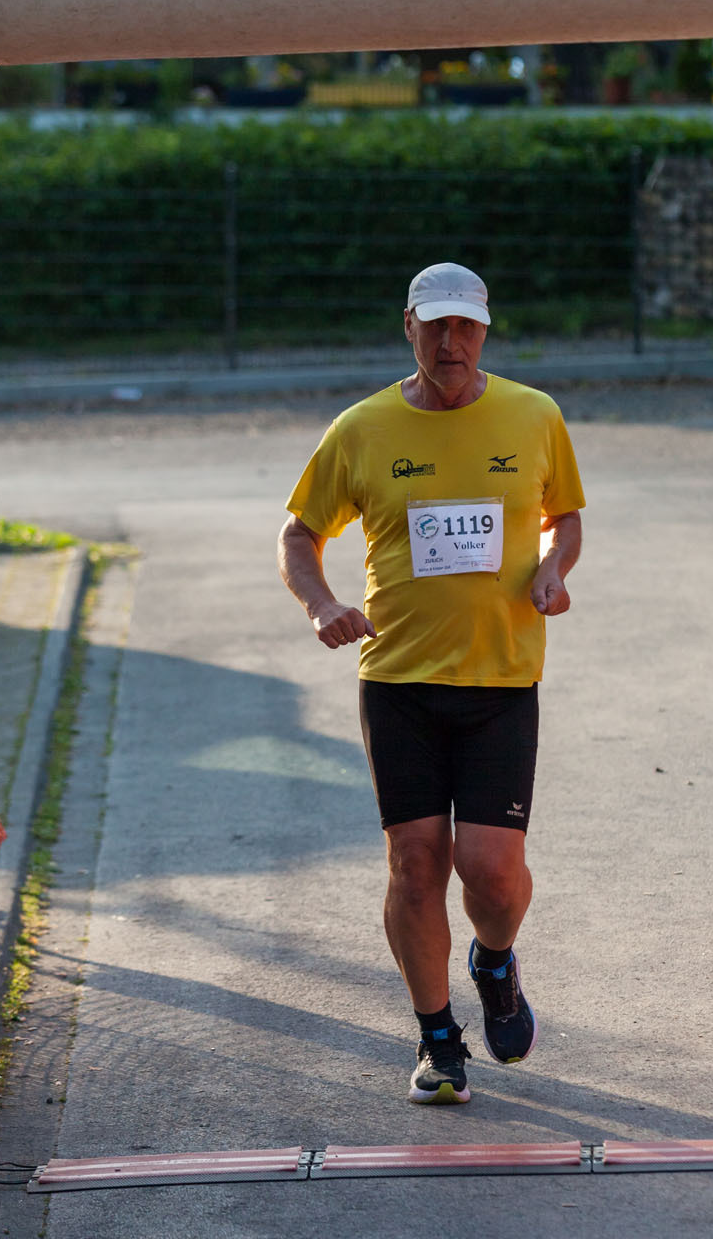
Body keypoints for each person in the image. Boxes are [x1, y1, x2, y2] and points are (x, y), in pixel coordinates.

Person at [278, 261, 584, 1104]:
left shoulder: (533, 414)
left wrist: (553, 568)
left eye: (466, 327)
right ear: (408, 327)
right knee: (416, 865)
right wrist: (321, 605)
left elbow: (564, 518)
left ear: (484, 331)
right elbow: (299, 533)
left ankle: (495, 960)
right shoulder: (361, 428)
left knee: (491, 871)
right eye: (436, 326)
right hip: (399, 679)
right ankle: (437, 1039)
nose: (452, 343)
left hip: (500, 677)